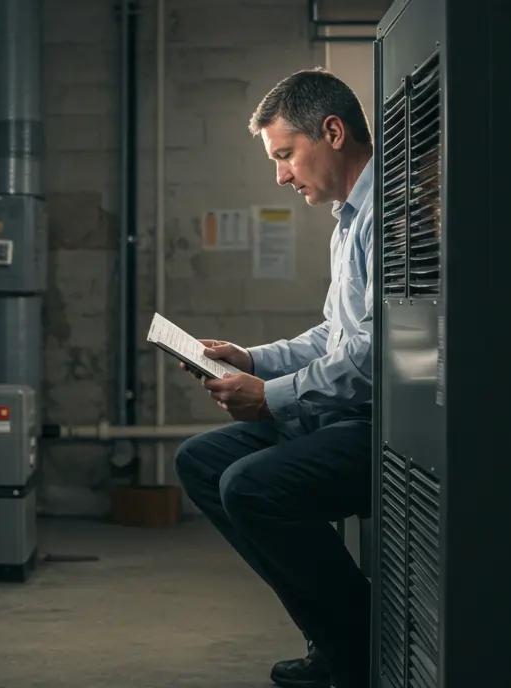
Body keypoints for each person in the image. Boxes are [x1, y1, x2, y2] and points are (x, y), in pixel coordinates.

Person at [173, 68, 376, 688]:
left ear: (332, 132)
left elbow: (373, 359)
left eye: (286, 155)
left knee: (252, 488)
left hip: (385, 426)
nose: (281, 175)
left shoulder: (387, 216)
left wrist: (272, 398)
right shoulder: (349, 221)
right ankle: (334, 632)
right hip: (344, 411)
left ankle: (356, 644)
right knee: (201, 462)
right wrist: (252, 360)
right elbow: (332, 336)